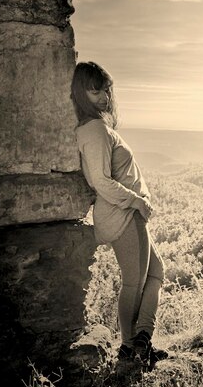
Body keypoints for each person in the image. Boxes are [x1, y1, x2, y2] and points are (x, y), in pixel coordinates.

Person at [71, 61, 167, 364]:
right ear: (82, 92)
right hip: (123, 215)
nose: (103, 96)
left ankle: (141, 339)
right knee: (133, 282)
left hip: (126, 214)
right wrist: (137, 201)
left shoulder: (98, 127)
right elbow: (100, 181)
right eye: (94, 90)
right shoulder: (95, 130)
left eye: (105, 89)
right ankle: (130, 349)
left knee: (155, 273)